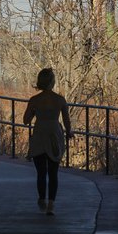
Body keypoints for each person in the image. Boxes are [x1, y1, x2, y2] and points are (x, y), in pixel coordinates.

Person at [23, 67, 72, 215]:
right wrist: (69, 132)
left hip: (39, 135)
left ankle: (41, 199)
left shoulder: (34, 100)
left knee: (41, 172)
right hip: (54, 136)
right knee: (53, 172)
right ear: (52, 82)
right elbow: (66, 121)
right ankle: (51, 203)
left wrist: (35, 113)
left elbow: (26, 120)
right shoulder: (60, 100)